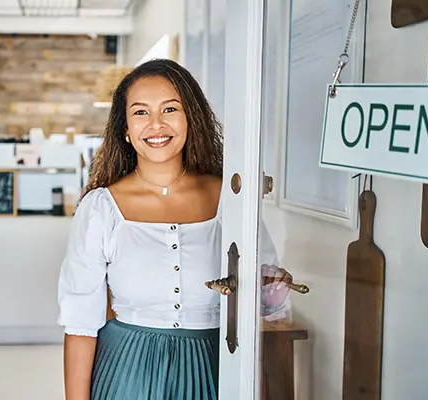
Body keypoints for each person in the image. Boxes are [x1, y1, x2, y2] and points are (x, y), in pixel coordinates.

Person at [57, 58, 292, 400]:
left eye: (170, 109)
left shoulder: (230, 197)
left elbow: (264, 294)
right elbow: (80, 325)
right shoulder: (101, 208)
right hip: (126, 370)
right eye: (140, 112)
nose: (156, 124)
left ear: (190, 119)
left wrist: (271, 296)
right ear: (124, 127)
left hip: (215, 367)